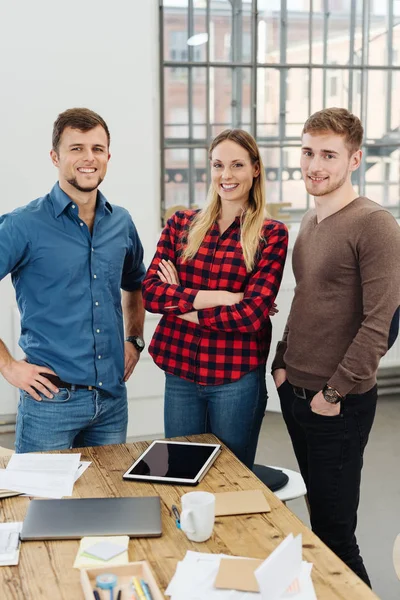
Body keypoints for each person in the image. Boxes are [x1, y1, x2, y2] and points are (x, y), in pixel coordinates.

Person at [271, 108, 400, 586]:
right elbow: (306, 298)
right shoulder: (309, 220)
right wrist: (281, 363)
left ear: (355, 160)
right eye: (307, 152)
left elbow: (380, 323)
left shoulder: (375, 225)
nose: (315, 165)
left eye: (329, 154)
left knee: (335, 536)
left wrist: (334, 393)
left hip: (337, 407)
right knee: (317, 525)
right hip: (297, 392)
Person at [0, 108, 146, 452]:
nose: (88, 158)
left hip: (111, 403)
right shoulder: (23, 225)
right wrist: (7, 366)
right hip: (49, 402)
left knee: (106, 504)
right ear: (55, 157)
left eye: (97, 148)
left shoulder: (121, 223)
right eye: (76, 148)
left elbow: (135, 283)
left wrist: (135, 341)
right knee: (41, 505)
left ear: (108, 156)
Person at [142, 129, 288, 469]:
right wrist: (221, 297)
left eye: (237, 165)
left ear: (255, 169)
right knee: (180, 471)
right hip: (179, 372)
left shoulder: (271, 234)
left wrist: (179, 306)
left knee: (232, 476)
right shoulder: (180, 224)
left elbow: (251, 316)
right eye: (218, 165)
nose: (226, 175)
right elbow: (151, 291)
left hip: (235, 379)